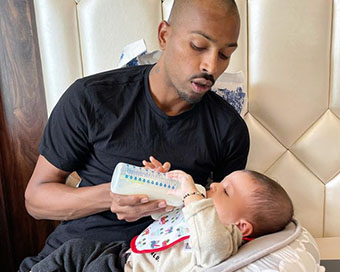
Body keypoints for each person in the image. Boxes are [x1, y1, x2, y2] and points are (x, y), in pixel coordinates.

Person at [19, 0, 249, 271]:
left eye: (224, 54)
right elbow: (36, 199)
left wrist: (182, 196)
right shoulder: (92, 98)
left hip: (159, 262)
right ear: (164, 35)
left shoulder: (229, 130)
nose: (211, 66)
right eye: (198, 46)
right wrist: (111, 196)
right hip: (75, 257)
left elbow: (224, 219)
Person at [29, 169, 294, 272]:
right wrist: (162, 192)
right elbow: (165, 222)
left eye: (225, 190)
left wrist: (192, 195)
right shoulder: (199, 213)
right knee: (75, 248)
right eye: (220, 181)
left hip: (126, 270)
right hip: (123, 254)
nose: (212, 186)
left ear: (242, 226)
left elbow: (210, 245)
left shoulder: (221, 236)